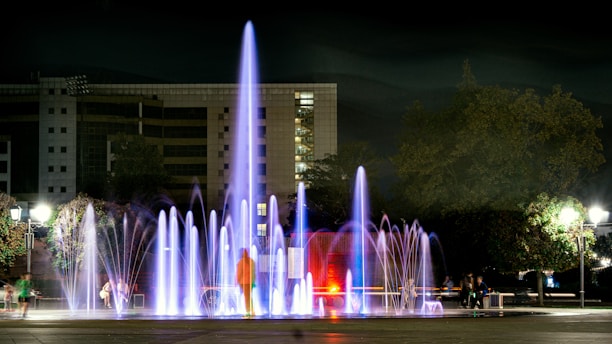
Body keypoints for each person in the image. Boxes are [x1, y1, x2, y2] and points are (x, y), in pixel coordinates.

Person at [236, 248, 256, 317]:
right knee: (249, 297)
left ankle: (248, 312)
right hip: (250, 282)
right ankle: (252, 311)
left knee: (246, 297)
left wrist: (237, 281)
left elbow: (239, 273)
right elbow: (254, 273)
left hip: (244, 282)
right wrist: (253, 281)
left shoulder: (241, 262)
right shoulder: (252, 261)